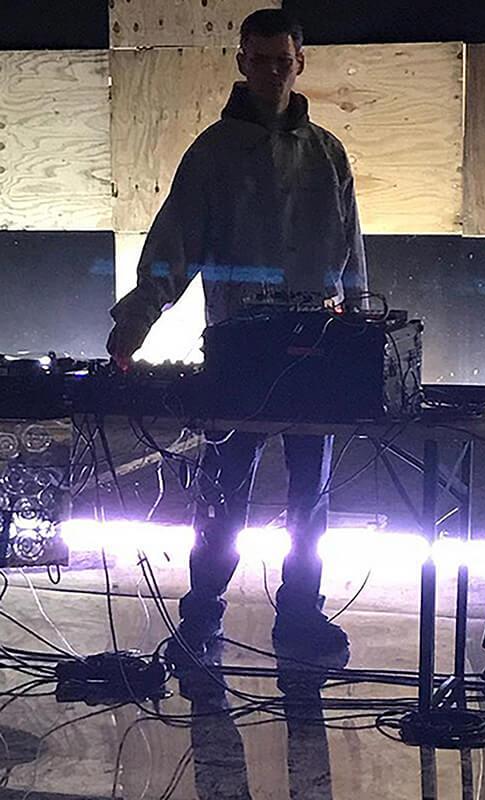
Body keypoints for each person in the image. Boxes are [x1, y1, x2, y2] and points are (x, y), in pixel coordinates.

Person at [107, 9, 367, 667]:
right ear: (242, 61)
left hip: (313, 348)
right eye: (260, 59)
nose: (272, 72)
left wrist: (362, 333)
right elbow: (175, 244)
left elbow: (350, 250)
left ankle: (300, 611)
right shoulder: (214, 153)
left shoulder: (328, 153)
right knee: (225, 488)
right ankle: (202, 613)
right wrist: (136, 321)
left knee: (311, 497)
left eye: (283, 60)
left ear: (299, 63)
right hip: (241, 350)